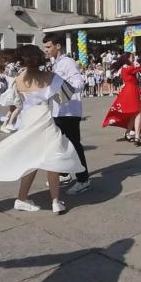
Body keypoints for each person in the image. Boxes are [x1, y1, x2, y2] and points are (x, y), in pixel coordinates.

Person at [0, 45, 85, 214]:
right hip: (45, 119)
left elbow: (16, 101)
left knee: (30, 160)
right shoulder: (50, 77)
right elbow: (65, 97)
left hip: (28, 120)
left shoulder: (19, 79)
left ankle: (22, 198)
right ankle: (55, 201)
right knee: (53, 159)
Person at [43, 33, 91, 194]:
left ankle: (83, 179)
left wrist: (63, 91)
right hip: (59, 111)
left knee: (74, 145)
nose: (46, 50)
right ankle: (64, 173)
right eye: (45, 47)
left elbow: (79, 83)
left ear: (58, 46)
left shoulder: (67, 62)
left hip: (69, 112)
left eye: (48, 46)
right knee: (60, 144)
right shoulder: (56, 64)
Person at [103, 52, 141, 146]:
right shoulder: (128, 67)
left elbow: (138, 69)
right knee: (138, 113)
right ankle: (137, 137)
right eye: (132, 57)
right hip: (131, 90)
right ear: (127, 58)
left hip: (129, 90)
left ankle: (128, 133)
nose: (133, 58)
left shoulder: (125, 67)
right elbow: (139, 68)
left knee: (134, 113)